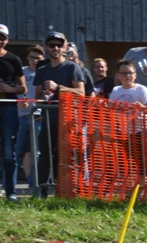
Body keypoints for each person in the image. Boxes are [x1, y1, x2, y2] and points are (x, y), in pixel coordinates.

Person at [34, 31, 85, 197]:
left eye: (58, 45)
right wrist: (44, 94)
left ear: (64, 47)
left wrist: (58, 88)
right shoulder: (42, 69)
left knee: (63, 156)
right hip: (48, 119)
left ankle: (62, 191)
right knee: (45, 156)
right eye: (52, 45)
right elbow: (37, 97)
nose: (55, 48)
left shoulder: (72, 67)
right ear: (46, 47)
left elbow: (81, 92)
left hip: (67, 120)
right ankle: (41, 192)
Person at [109, 60, 147, 183]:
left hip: (142, 129)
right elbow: (110, 108)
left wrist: (141, 107)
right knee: (129, 159)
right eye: (124, 73)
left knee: (143, 159)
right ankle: (136, 185)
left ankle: (143, 187)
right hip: (125, 130)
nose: (127, 76)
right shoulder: (116, 90)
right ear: (118, 75)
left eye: (130, 73)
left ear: (135, 75)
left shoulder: (141, 89)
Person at [0, 24, 26, 201]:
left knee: (9, 153)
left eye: (2, 38)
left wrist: (10, 89)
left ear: (7, 40)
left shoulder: (14, 59)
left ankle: (11, 192)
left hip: (8, 108)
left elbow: (23, 88)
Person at [16, 45, 44, 191]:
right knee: (16, 151)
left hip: (38, 116)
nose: (35, 60)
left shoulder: (44, 72)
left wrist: (43, 113)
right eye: (32, 57)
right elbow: (15, 89)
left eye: (38, 58)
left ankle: (33, 183)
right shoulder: (21, 72)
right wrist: (19, 101)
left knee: (35, 152)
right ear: (27, 58)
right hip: (21, 116)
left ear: (43, 59)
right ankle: (10, 184)